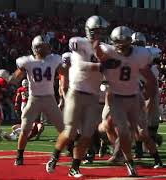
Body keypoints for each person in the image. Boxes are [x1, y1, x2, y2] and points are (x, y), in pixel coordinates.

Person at [45, 15, 121, 178]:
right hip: (76, 92)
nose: (100, 34)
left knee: (87, 135)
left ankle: (74, 167)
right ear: (90, 31)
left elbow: (117, 61)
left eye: (102, 31)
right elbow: (80, 65)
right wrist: (102, 65)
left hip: (93, 96)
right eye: (97, 31)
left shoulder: (106, 49)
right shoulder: (79, 42)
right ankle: (55, 156)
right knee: (71, 131)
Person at [97, 26, 158, 177]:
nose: (121, 45)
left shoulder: (139, 55)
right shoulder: (109, 53)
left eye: (124, 41)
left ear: (130, 41)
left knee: (141, 132)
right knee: (123, 132)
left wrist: (147, 95)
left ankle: (154, 156)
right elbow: (97, 62)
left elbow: (150, 78)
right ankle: (129, 163)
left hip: (134, 97)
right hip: (116, 97)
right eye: (117, 42)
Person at [8, 35, 67, 166]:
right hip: (34, 99)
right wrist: (9, 78)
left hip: (49, 98)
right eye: (45, 46)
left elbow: (65, 72)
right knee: (25, 129)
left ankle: (65, 151)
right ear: (37, 48)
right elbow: (16, 78)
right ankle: (19, 155)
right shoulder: (27, 61)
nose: (48, 48)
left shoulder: (53, 59)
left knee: (63, 129)